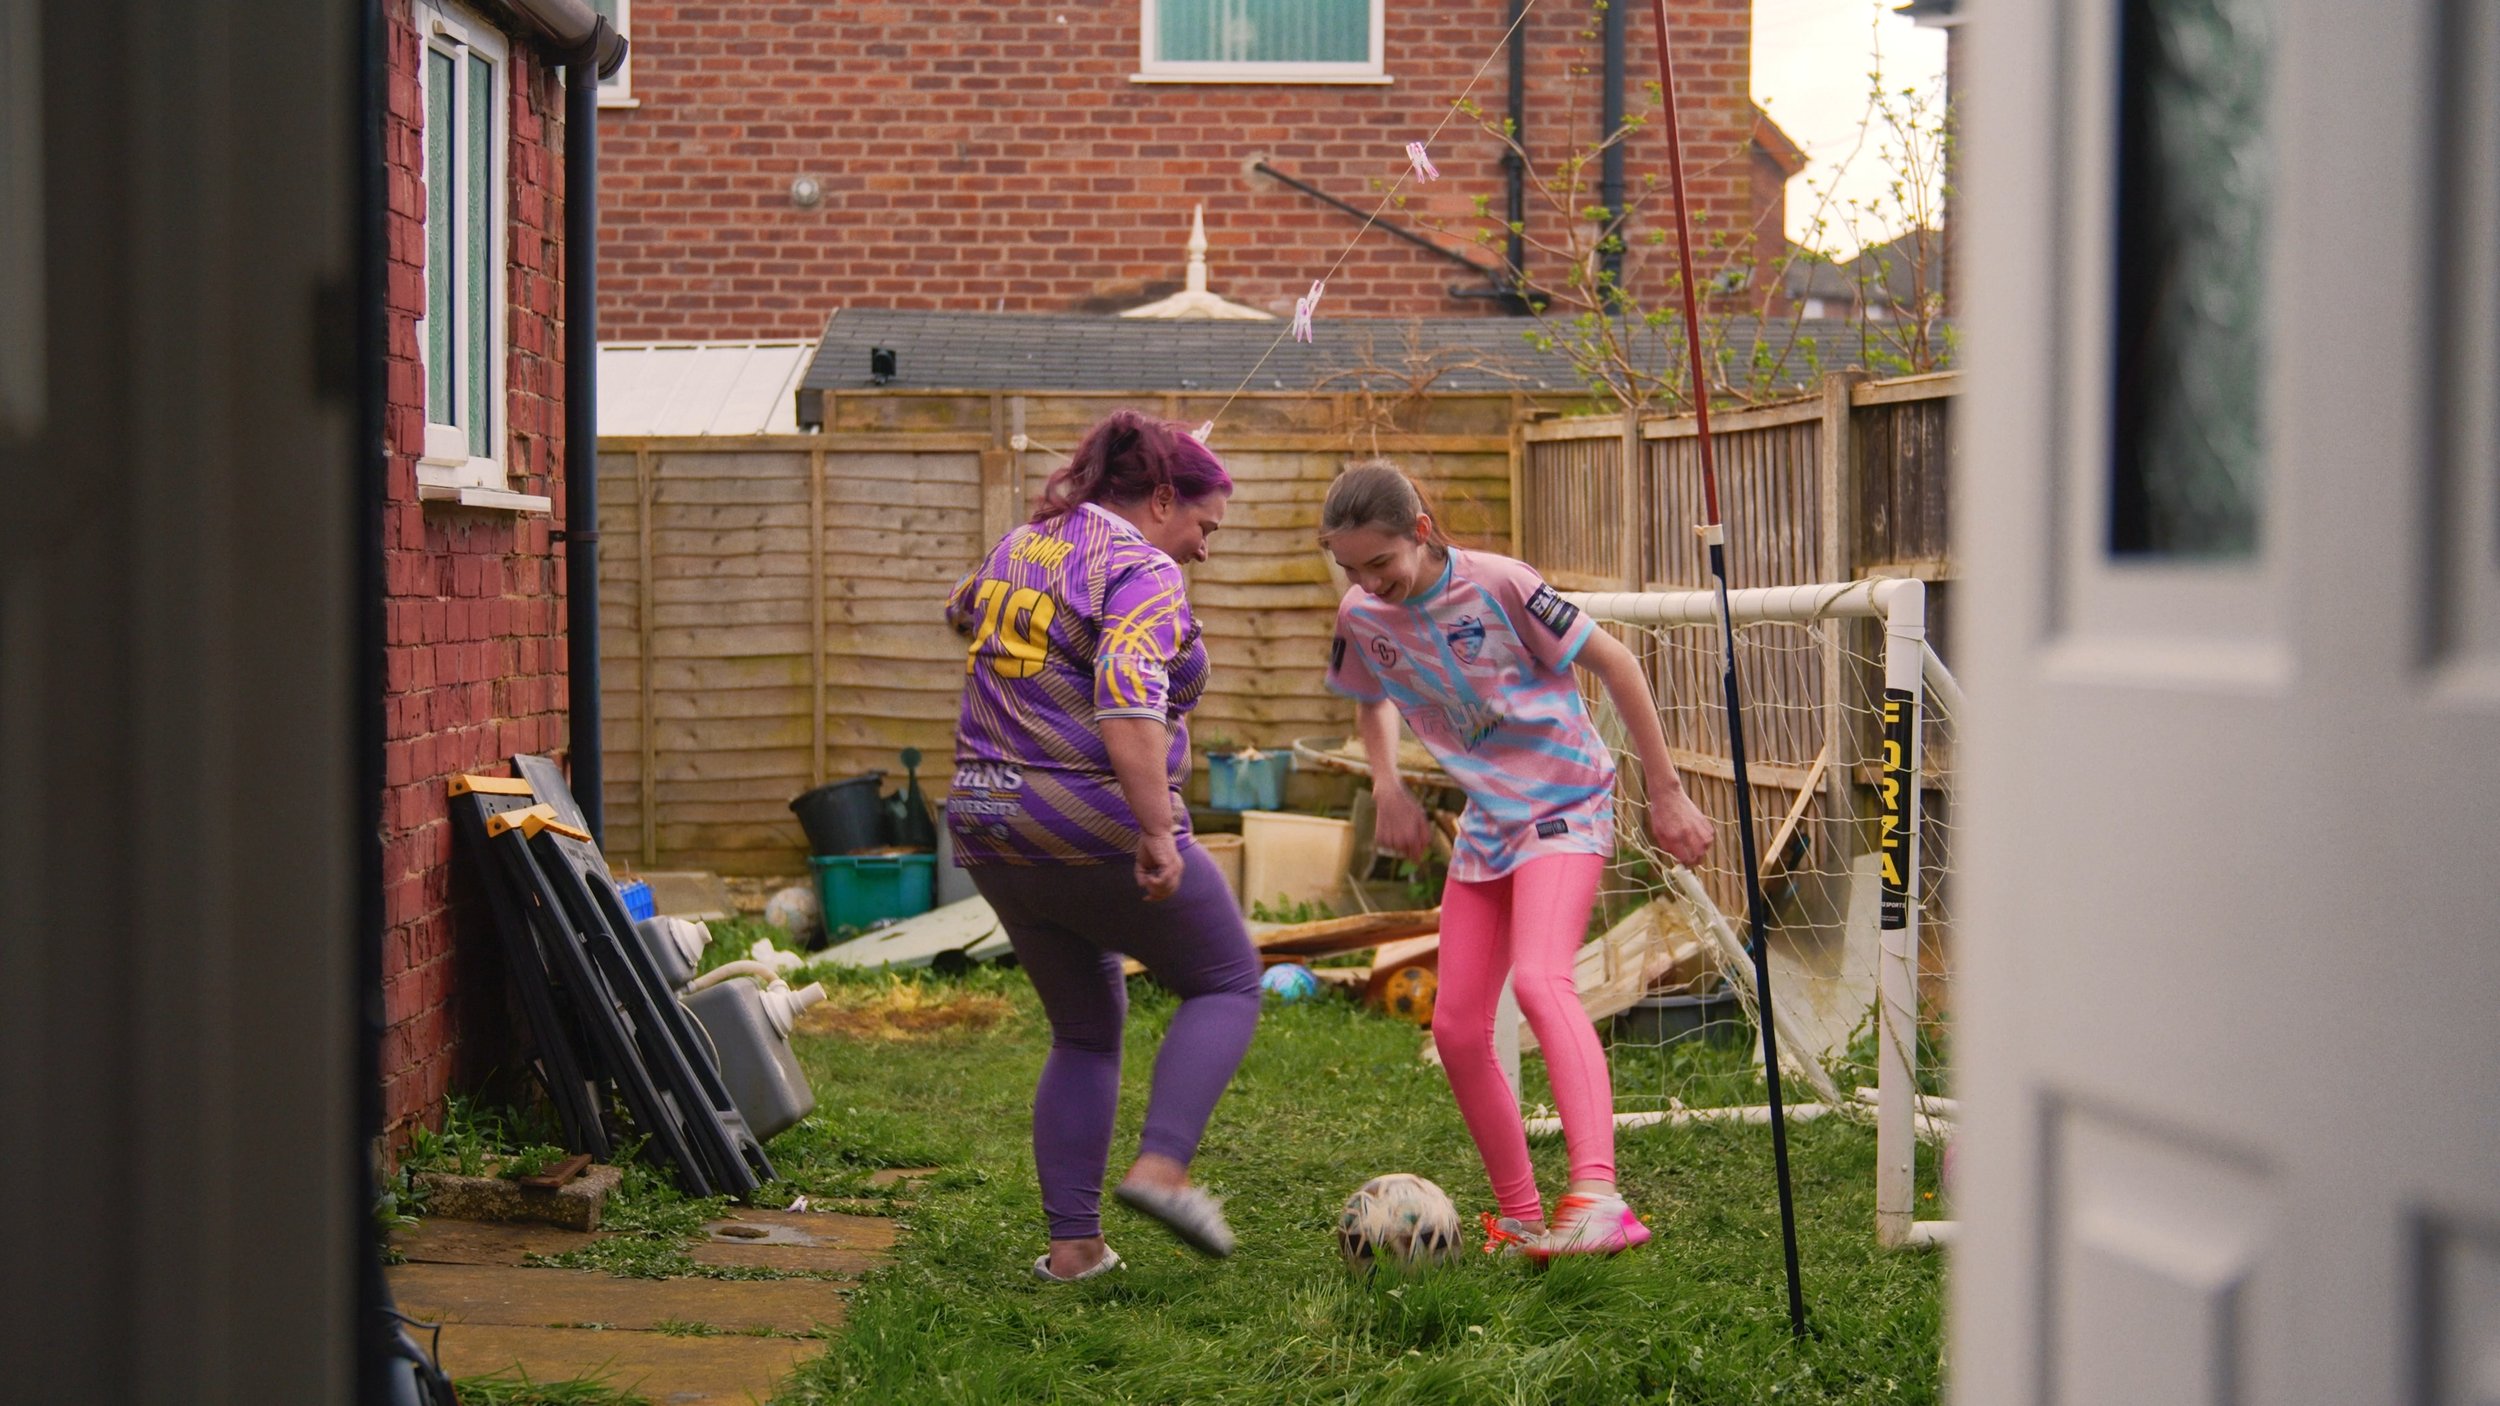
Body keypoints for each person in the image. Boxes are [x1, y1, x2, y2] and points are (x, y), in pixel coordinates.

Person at [1318, 462, 1714, 1260]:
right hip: (1488, 825)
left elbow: (1619, 665)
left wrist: (1665, 792)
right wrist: (1388, 785)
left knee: (1540, 980)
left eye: (1381, 563)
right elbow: (1368, 696)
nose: (1367, 582)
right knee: (1460, 1028)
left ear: (1420, 532)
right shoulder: (1361, 615)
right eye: (1350, 567)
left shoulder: (1502, 584)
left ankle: (1600, 1198)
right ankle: (1522, 1216)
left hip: (1564, 802)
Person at [944, 410, 1262, 1282]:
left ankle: (1075, 1248)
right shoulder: (1141, 567)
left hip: (984, 815)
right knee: (1227, 980)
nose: (1204, 549)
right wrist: (1157, 831)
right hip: (1085, 815)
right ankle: (1163, 1168)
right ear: (1162, 499)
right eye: (1203, 526)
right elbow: (1126, 699)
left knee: (1084, 1028)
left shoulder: (1023, 543)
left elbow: (961, 613)